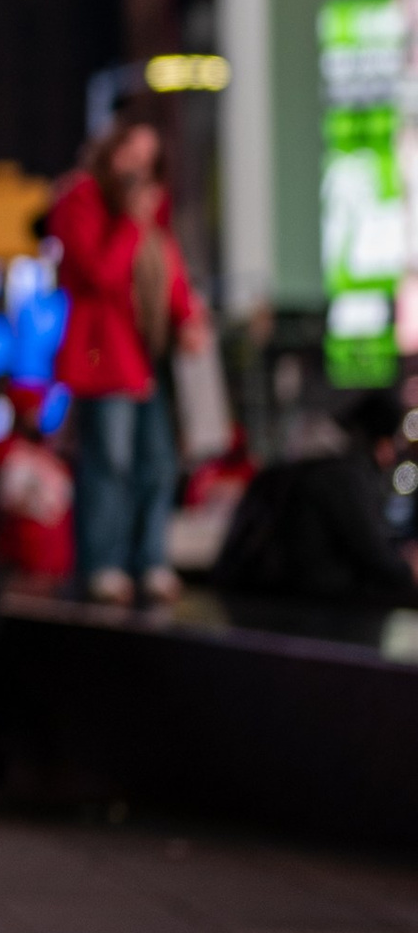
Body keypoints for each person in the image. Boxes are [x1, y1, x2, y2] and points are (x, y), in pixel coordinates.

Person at [48, 104, 209, 605]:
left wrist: (188, 317)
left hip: (146, 358)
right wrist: (130, 223)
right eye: (130, 153)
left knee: (159, 462)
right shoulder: (81, 197)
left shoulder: (147, 213)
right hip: (102, 356)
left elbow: (166, 262)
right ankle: (104, 563)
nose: (138, 166)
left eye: (149, 158)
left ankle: (151, 560)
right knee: (108, 462)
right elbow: (100, 273)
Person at [211, 389, 416, 607]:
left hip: (253, 604)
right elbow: (378, 562)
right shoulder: (345, 476)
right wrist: (409, 569)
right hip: (305, 615)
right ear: (383, 444)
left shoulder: (297, 465)